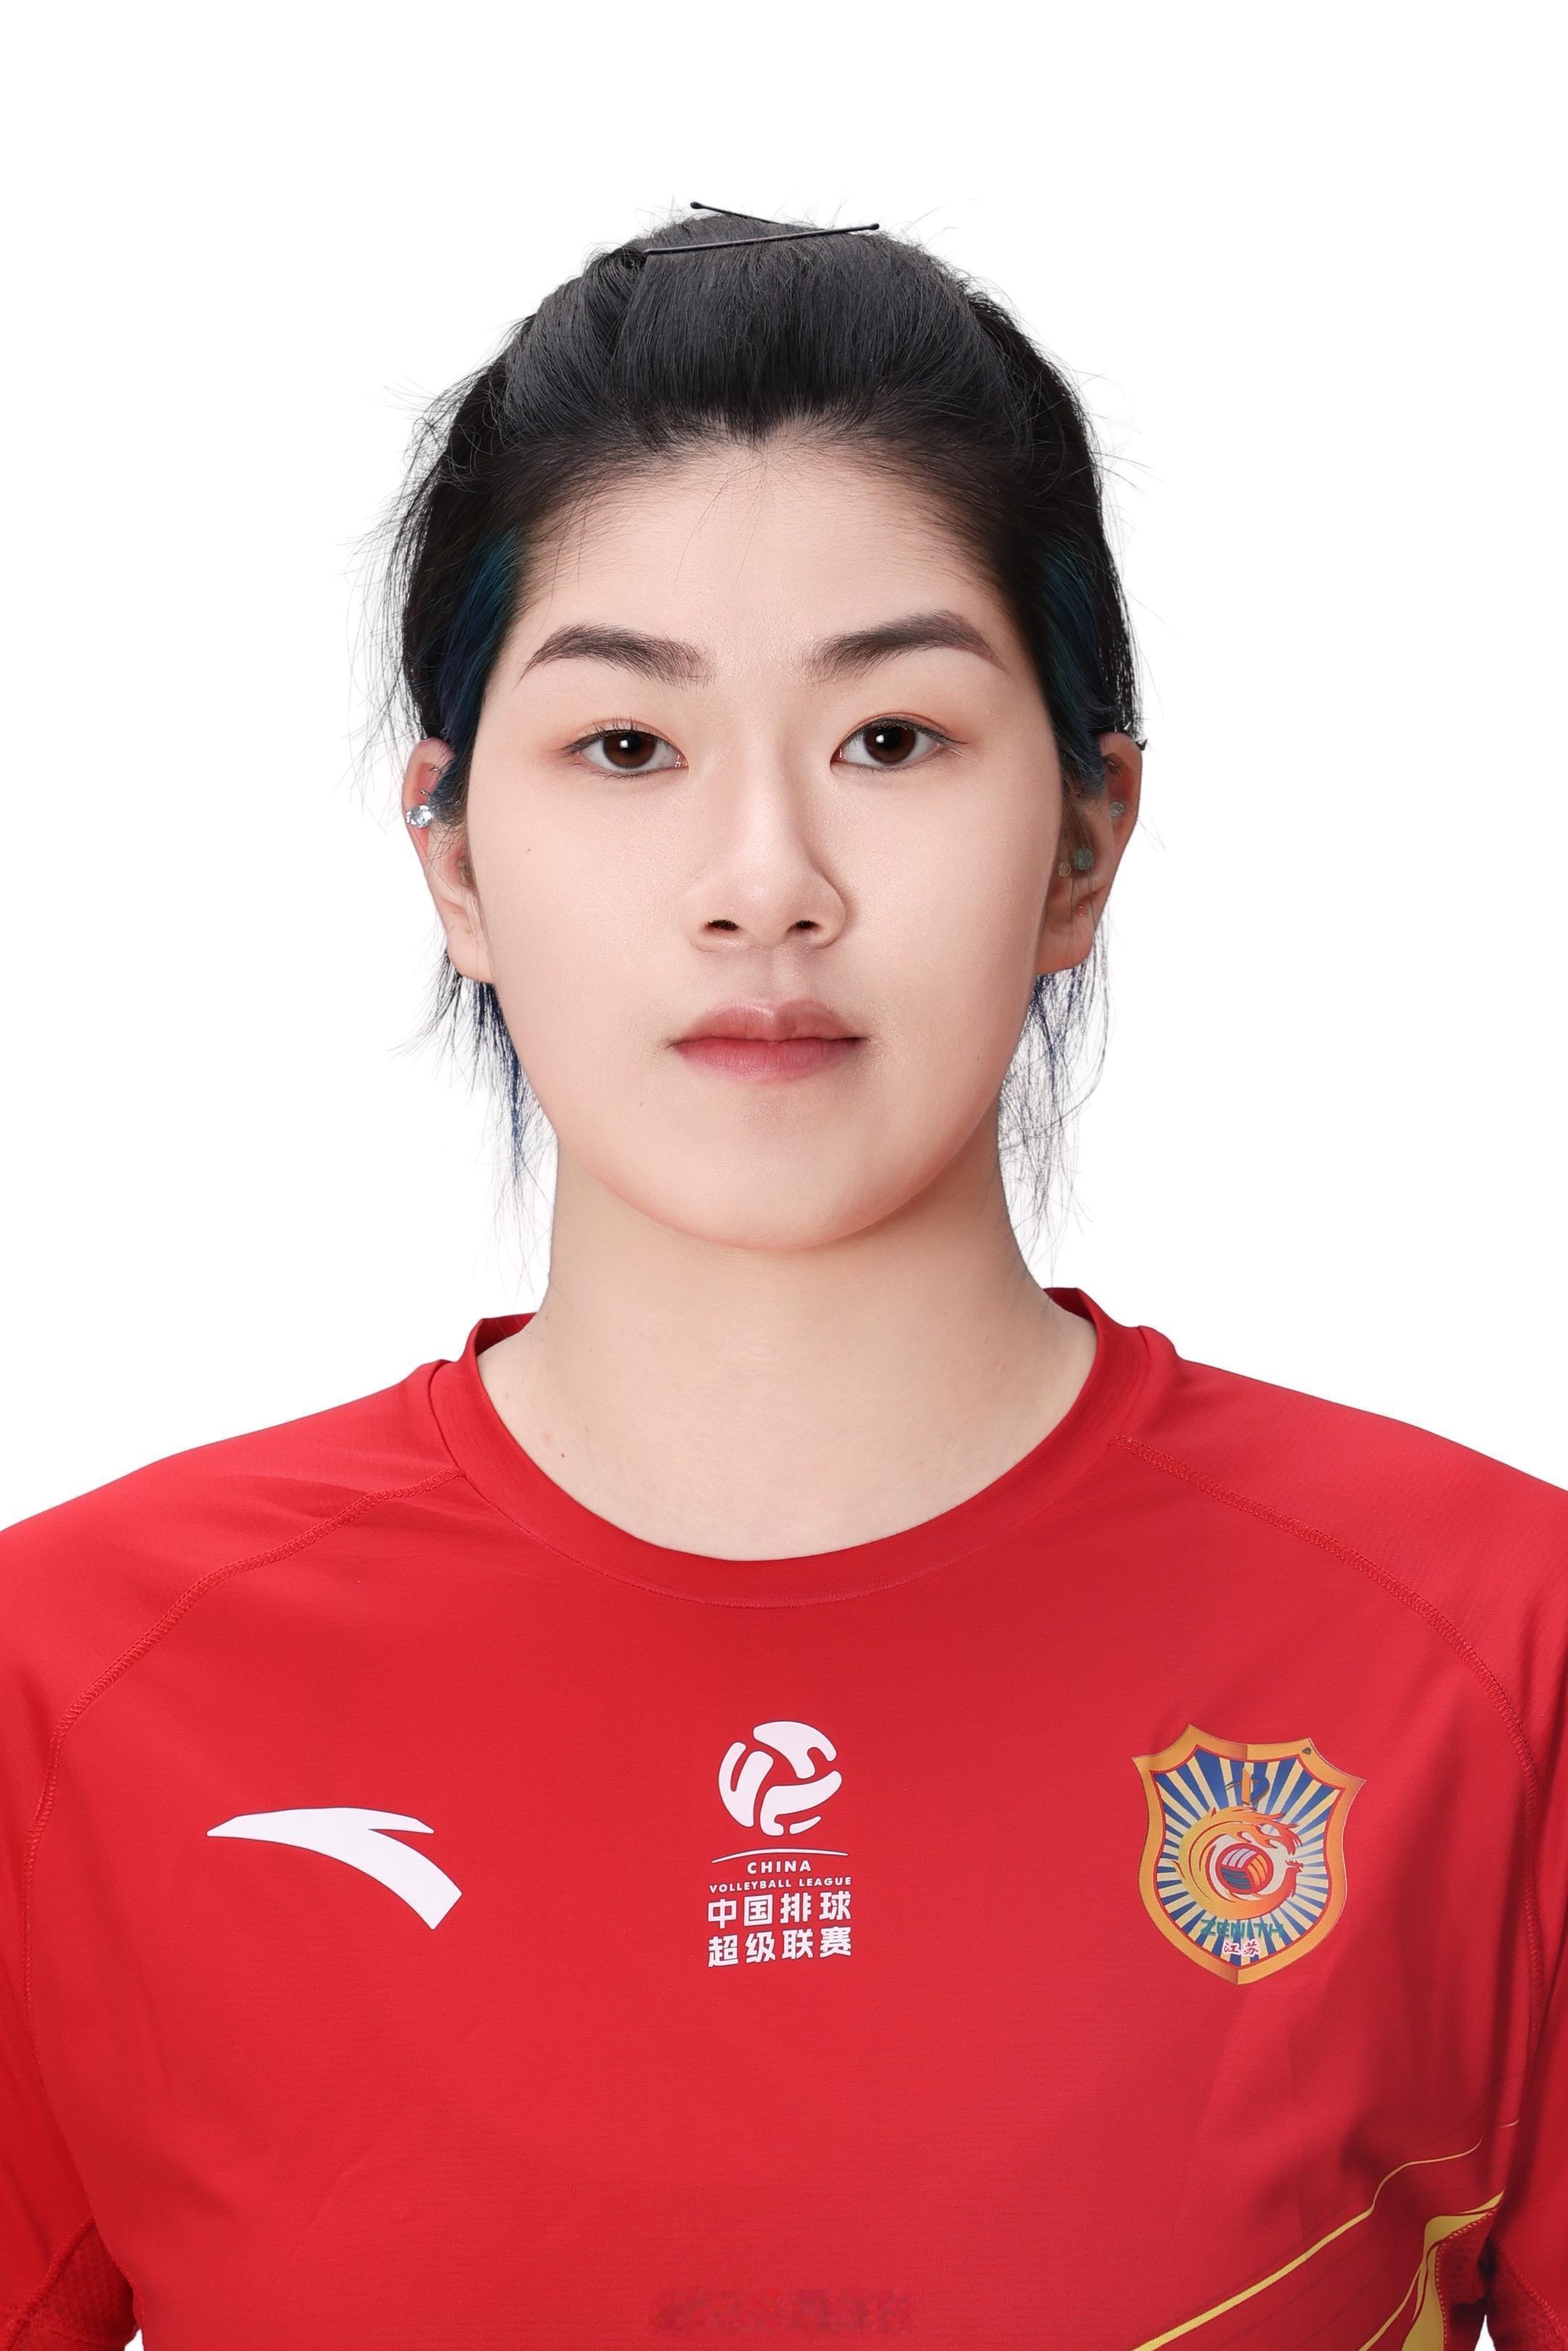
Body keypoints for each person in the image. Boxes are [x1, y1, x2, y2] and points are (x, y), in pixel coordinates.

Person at [0, 203, 1563, 2351]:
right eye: (627, 748)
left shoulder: (1492, 1655)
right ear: (454, 859)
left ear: (1085, 841)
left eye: (892, 740)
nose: (764, 886)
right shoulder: (77, 1691)